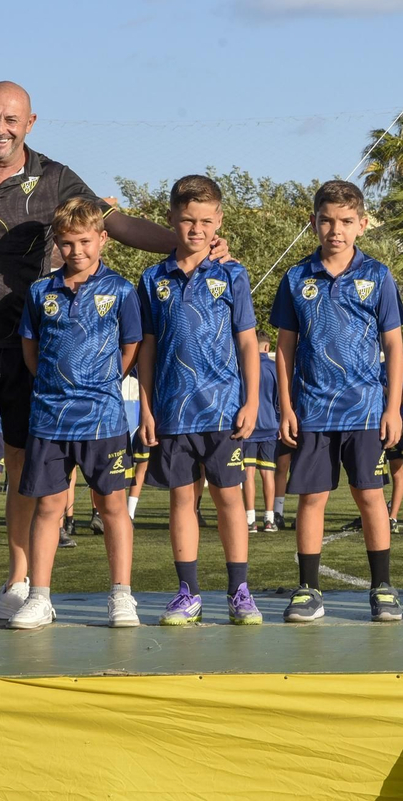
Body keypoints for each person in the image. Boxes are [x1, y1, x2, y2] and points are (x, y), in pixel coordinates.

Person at [0, 81, 224, 627]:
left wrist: (186, 242)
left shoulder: (55, 177)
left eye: (11, 120)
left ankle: (18, 584)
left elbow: (113, 224)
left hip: (39, 349)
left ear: (30, 123)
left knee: (28, 468)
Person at [271, 180, 403, 623]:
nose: (336, 229)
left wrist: (392, 408)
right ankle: (308, 589)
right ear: (313, 222)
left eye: (347, 221)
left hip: (366, 410)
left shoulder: (378, 276)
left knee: (370, 497)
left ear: (362, 225)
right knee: (311, 500)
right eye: (327, 220)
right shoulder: (296, 278)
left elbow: (393, 346)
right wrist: (286, 407)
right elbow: (285, 349)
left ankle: (382, 588)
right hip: (311, 410)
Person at [5, 199, 142, 629]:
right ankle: (39, 596)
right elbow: (31, 351)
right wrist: (57, 387)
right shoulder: (39, 292)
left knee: (113, 505)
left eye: (84, 240)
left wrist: (95, 384)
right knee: (47, 507)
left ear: (102, 239)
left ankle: (121, 596)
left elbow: (131, 347)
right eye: (66, 243)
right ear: (57, 245)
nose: (76, 250)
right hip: (48, 418)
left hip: (103, 419)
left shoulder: (121, 290)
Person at [136, 175, 262, 626]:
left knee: (230, 499)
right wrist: (146, 408)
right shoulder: (152, 279)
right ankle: (187, 591)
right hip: (172, 412)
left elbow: (248, 343)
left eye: (206, 220)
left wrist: (251, 402)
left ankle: (239, 591)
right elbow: (146, 349)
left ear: (219, 221)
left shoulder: (233, 273)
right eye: (187, 219)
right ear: (171, 219)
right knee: (181, 501)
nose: (196, 229)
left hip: (224, 410)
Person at [243, 330, 280, 533]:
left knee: (248, 473)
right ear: (267, 347)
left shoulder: (243, 366)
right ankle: (269, 518)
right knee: (268, 473)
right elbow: (280, 399)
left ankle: (250, 520)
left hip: (248, 426)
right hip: (269, 425)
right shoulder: (274, 368)